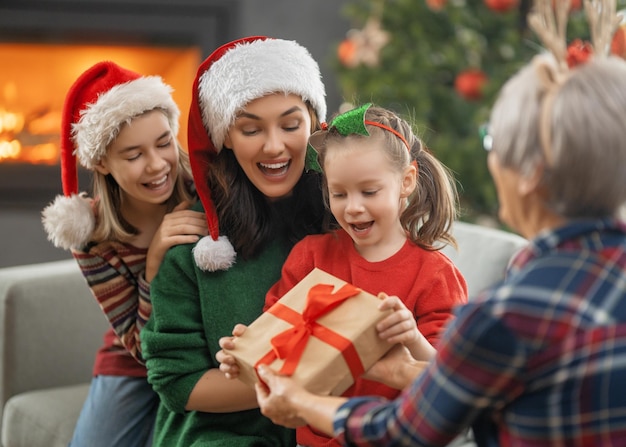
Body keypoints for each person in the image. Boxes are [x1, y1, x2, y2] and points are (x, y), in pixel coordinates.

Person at [251, 0, 626, 445]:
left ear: (530, 176)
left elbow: (408, 429)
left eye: (494, 144)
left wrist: (307, 402)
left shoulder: (506, 315)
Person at [217, 102, 468, 446]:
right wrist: (248, 355)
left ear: (406, 181)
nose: (353, 207)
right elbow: (281, 342)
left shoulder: (435, 275)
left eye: (369, 191)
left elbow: (452, 382)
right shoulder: (311, 256)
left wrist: (412, 339)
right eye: (339, 193)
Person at [139, 36, 331, 446]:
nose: (275, 145)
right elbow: (179, 383)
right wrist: (297, 384)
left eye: (291, 124)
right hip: (218, 434)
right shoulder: (195, 243)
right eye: (250, 129)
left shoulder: (346, 219)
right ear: (225, 135)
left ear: (314, 123)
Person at [40, 61, 208, 447]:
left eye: (164, 142)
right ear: (101, 162)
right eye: (133, 155)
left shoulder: (204, 192)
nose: (156, 164)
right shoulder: (92, 236)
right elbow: (138, 343)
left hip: (203, 352)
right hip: (133, 361)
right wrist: (154, 265)